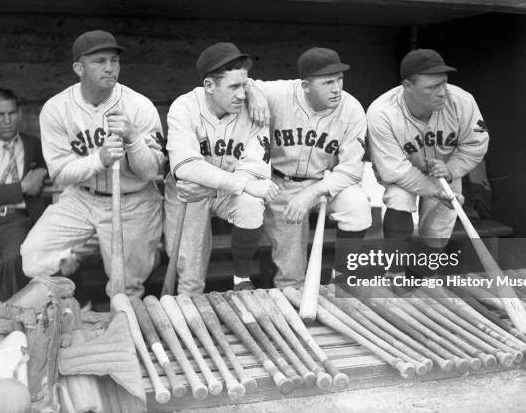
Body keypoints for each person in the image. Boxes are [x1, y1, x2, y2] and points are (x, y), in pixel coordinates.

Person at [20, 30, 166, 298]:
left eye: (114, 60)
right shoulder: (57, 108)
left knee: (126, 288)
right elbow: (61, 174)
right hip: (82, 198)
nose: (110, 68)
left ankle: (121, 331)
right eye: (99, 61)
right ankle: (73, 300)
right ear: (78, 68)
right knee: (34, 256)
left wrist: (133, 137)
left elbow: (150, 171)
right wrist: (100, 159)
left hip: (133, 200)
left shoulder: (139, 106)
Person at [246, 47, 372, 288]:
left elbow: (352, 170)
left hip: (327, 181)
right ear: (305, 86)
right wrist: (253, 92)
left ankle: (343, 279)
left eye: (339, 79)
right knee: (291, 275)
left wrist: (313, 192)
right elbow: (244, 83)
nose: (337, 88)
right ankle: (293, 299)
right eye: (327, 82)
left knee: (357, 207)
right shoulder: (279, 93)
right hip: (281, 183)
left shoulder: (352, 108)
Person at [164, 42, 278, 295]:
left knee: (250, 203)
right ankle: (188, 312)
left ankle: (241, 280)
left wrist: (242, 184)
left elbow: (254, 168)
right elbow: (185, 167)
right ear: (209, 86)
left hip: (225, 188)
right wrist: (245, 184)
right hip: (188, 192)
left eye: (245, 85)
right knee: (190, 276)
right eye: (234, 87)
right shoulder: (184, 107)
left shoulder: (254, 108)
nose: (241, 94)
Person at [366, 49, 489, 277]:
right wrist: (433, 191)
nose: (442, 92)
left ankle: (425, 275)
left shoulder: (462, 101)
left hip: (446, 167)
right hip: (404, 170)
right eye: (432, 87)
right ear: (407, 86)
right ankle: (394, 273)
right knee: (398, 198)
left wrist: (452, 170)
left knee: (441, 219)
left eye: (444, 83)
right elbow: (395, 170)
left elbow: (477, 144)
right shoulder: (381, 112)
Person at [0, 88, 48, 300]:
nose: (7, 120)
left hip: (15, 221)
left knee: (14, 256)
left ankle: (17, 316)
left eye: (12, 113)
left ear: (20, 113)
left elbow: (55, 166)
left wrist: (42, 171)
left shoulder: (34, 144)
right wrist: (22, 187)